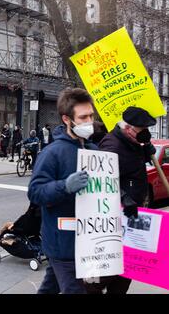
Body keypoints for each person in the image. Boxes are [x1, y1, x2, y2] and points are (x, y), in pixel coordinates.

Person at [28, 88, 97, 294]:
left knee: (51, 286)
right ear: (67, 119)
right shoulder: (52, 153)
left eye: (91, 116)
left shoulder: (93, 150)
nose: (89, 121)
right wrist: (64, 186)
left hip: (87, 237)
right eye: (83, 117)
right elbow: (35, 192)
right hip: (63, 243)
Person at [85, 106, 157, 294]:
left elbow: (129, 168)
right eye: (143, 131)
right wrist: (125, 198)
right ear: (128, 128)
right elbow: (100, 180)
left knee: (127, 272)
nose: (146, 134)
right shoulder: (112, 146)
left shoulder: (131, 143)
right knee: (101, 277)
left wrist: (145, 152)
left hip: (132, 219)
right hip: (116, 221)